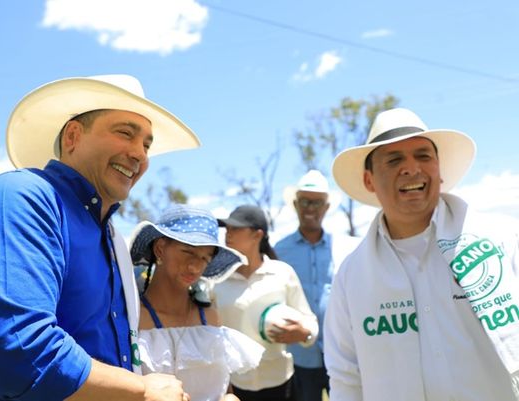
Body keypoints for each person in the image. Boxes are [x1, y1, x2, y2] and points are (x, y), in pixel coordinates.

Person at [0, 75, 202, 401]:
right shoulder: (20, 197)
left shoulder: (110, 237)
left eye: (146, 145)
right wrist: (142, 390)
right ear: (73, 135)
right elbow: (19, 355)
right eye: (125, 133)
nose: (139, 154)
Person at [324, 107, 519, 400]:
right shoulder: (351, 276)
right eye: (394, 159)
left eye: (424, 156)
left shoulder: (502, 241)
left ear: (439, 171)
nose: (412, 168)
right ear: (369, 181)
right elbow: (346, 378)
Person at [129, 204, 265, 401]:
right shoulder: (134, 317)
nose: (195, 267)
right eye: (188, 252)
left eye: (204, 258)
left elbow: (225, 389)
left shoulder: (209, 318)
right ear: (160, 248)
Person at [211, 205, 319, 401]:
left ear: (257, 235)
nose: (228, 234)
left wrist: (305, 334)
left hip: (281, 384)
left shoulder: (283, 273)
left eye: (235, 228)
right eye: (227, 229)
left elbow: (309, 320)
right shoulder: (216, 280)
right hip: (234, 388)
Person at [274, 170, 359, 401]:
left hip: (342, 350)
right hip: (299, 355)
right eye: (305, 201)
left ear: (327, 207)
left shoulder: (346, 248)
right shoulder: (278, 251)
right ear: (295, 204)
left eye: (317, 202)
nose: (310, 208)